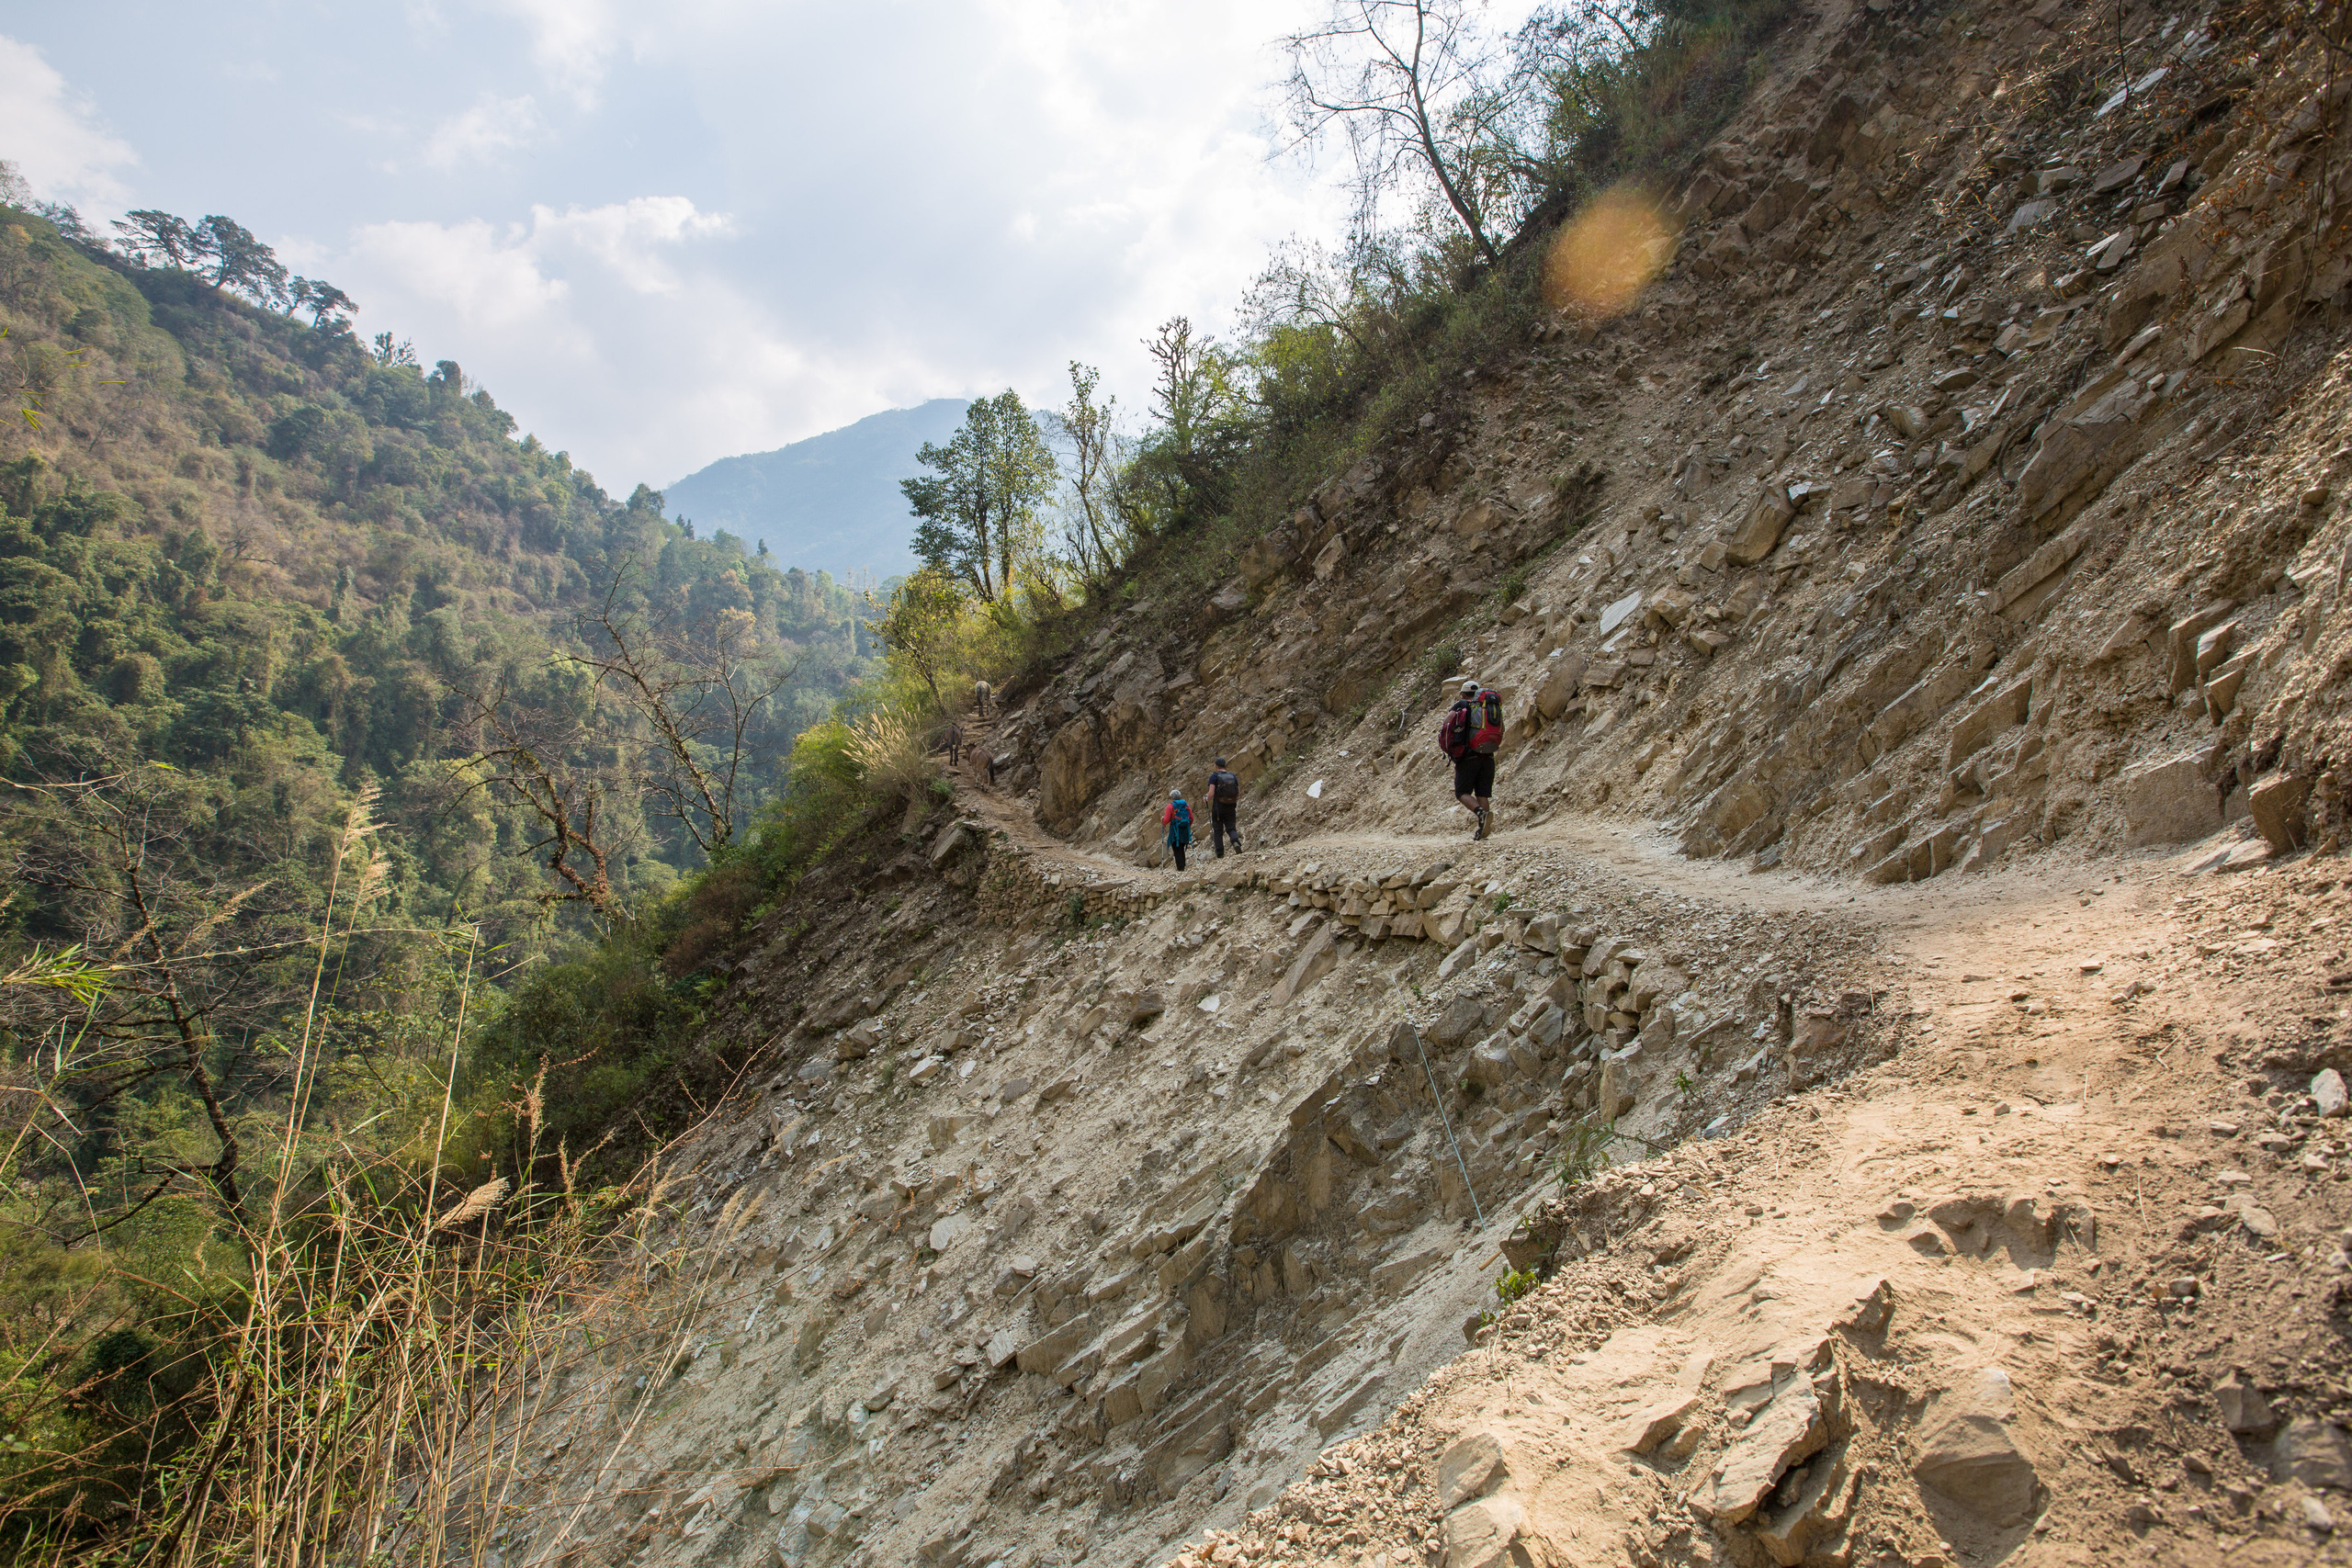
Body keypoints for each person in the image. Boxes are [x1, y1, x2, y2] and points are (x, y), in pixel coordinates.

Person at [1438, 676, 1503, 840]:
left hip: (1468, 756)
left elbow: (1447, 724)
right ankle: (1483, 829)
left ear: (1462, 694)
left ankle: (1481, 814)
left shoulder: (1462, 705)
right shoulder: (1487, 707)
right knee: (1482, 794)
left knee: (1462, 792)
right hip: (1488, 755)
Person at [1207, 757, 1243, 857]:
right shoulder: (1232, 776)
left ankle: (1220, 853)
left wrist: (1206, 799)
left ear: (1216, 766)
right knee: (1231, 827)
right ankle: (1235, 842)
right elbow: (1238, 793)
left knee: (1218, 830)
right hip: (1231, 806)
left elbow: (1211, 794)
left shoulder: (1214, 777)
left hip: (1219, 807)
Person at [1161, 789, 1193, 872]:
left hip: (1175, 830)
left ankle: (1180, 867)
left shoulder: (1170, 806)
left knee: (1176, 848)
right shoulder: (1186, 805)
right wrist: (1186, 826)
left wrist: (1162, 820)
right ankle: (1183, 865)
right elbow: (1191, 818)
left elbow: (1166, 820)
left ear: (1172, 798)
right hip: (1185, 830)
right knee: (1181, 847)